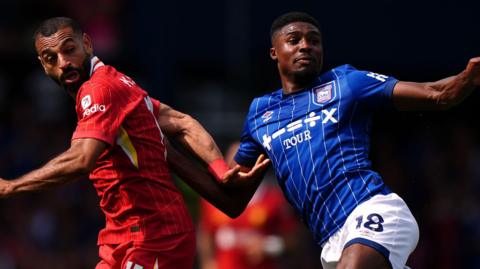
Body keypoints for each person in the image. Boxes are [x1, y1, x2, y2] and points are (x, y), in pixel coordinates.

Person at [0, 17, 269, 269]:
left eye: (69, 49)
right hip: (120, 239)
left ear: (88, 44)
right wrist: (220, 171)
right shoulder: (120, 82)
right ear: (42, 64)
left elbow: (82, 159)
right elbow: (181, 122)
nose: (63, 62)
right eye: (51, 58)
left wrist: (12, 186)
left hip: (154, 236)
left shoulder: (99, 89)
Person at [228, 11, 480, 269]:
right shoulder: (260, 113)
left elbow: (438, 94)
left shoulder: (346, 83)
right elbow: (232, 197)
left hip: (373, 209)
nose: (305, 45)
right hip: (331, 242)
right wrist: (184, 145)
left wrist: (469, 77)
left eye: (314, 40)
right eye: (294, 40)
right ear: (274, 52)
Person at [197, 141, 300, 269]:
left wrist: (268, 246)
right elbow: (206, 234)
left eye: (241, 160)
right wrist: (208, 263)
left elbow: (294, 240)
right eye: (231, 160)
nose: (235, 166)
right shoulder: (212, 200)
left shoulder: (274, 199)